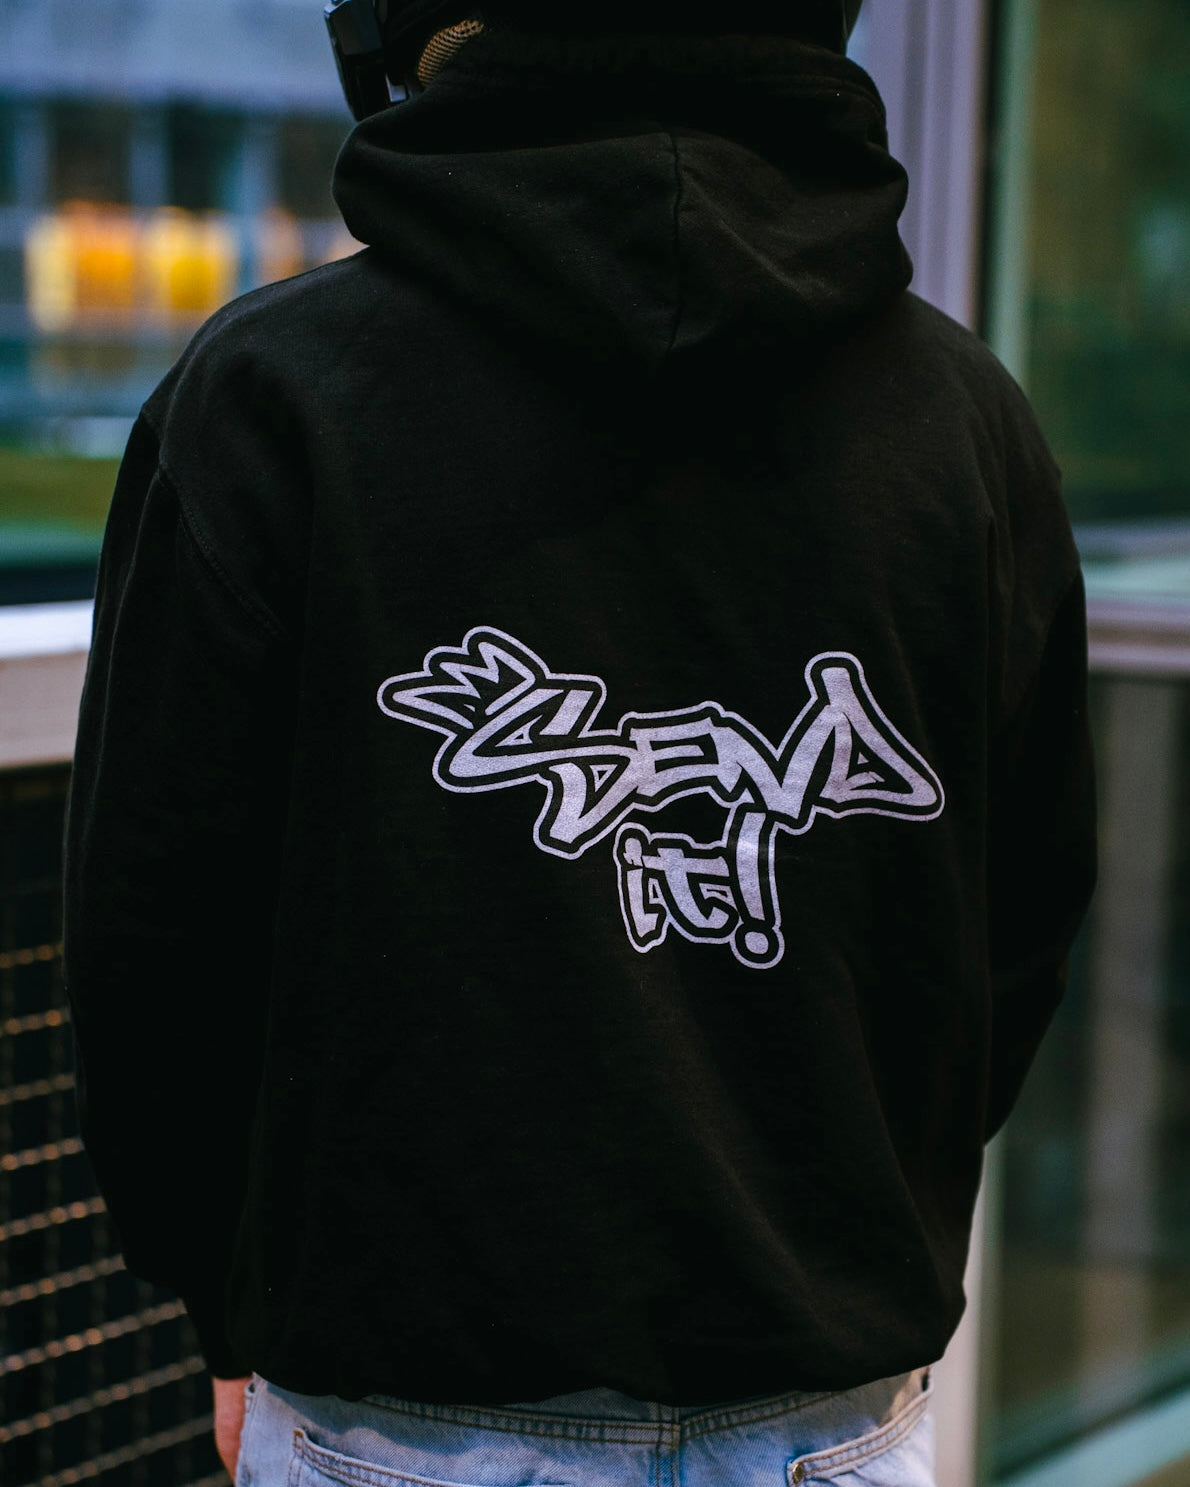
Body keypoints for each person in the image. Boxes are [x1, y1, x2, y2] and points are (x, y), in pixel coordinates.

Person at [62, 1, 1097, 1484]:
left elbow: (154, 938)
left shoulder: (273, 398)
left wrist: (221, 1299)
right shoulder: (967, 424)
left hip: (404, 1416)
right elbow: (1020, 925)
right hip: (830, 1408)